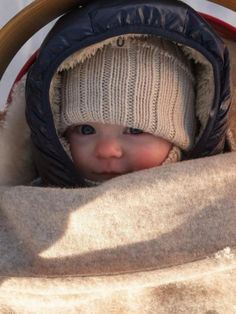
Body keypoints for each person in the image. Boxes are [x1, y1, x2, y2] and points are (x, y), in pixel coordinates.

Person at [25, 0, 232, 187]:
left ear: (185, 137)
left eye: (134, 129)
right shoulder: (31, 201)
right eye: (86, 129)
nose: (106, 150)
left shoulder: (219, 190)